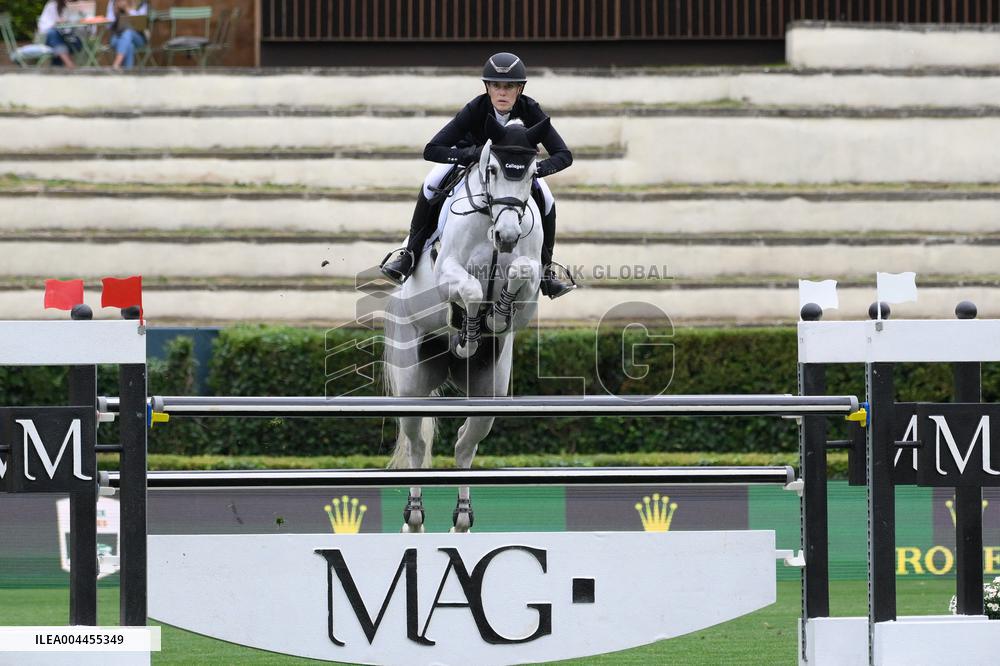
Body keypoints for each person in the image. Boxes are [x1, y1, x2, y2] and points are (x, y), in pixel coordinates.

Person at [381, 52, 575, 299]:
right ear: (487, 87)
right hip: (469, 163)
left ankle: (546, 270)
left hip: (514, 175)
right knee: (431, 184)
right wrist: (471, 154)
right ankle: (409, 254)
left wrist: (538, 170)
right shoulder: (476, 109)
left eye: (509, 86)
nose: (502, 93)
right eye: (496, 86)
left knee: (547, 199)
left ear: (520, 89)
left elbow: (563, 155)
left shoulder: (531, 110)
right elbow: (432, 149)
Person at [37, 0, 81, 68]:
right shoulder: (51, 5)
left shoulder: (69, 6)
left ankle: (59, 65)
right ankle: (69, 65)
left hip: (62, 37)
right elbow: (43, 27)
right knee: (53, 33)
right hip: (47, 39)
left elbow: (70, 27)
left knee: (76, 41)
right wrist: (56, 22)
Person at [106, 0, 148, 70]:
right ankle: (127, 73)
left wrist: (127, 9)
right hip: (116, 37)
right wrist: (115, 11)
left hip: (138, 38)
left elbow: (141, 24)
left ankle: (116, 64)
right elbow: (108, 26)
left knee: (128, 32)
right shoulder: (113, 2)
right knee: (129, 45)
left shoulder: (141, 3)